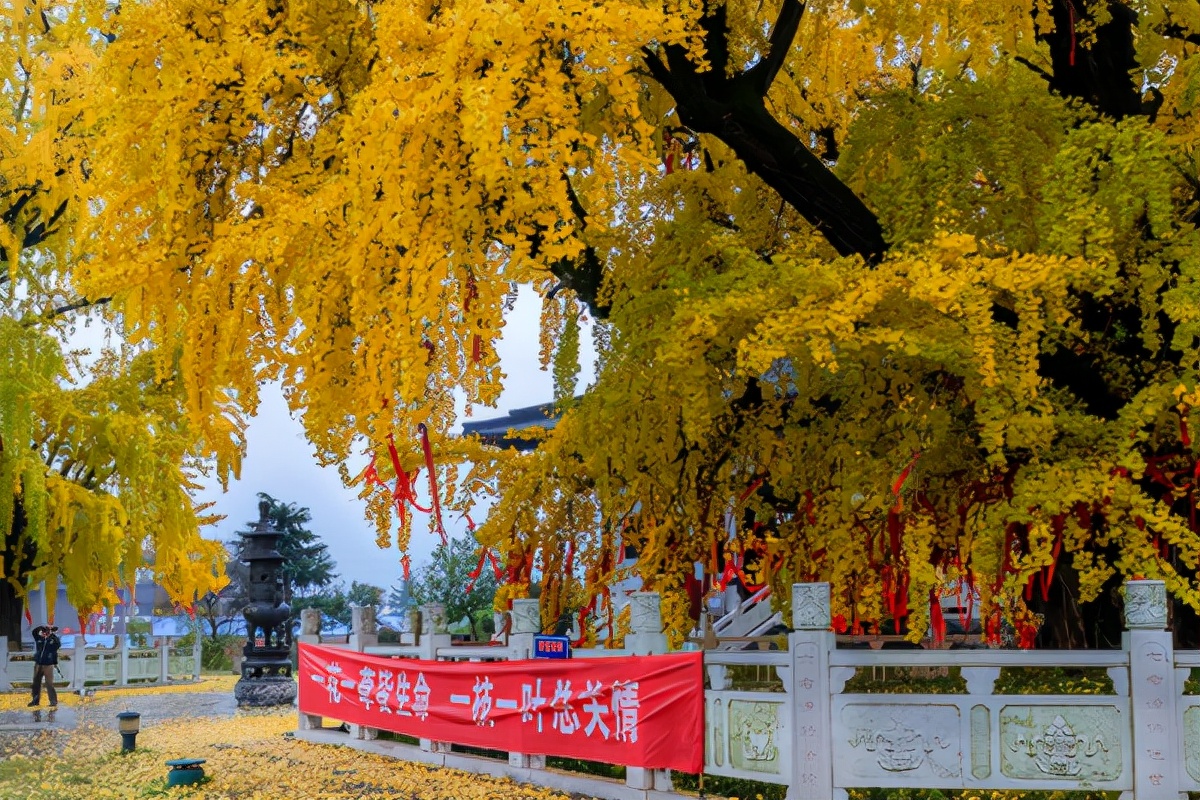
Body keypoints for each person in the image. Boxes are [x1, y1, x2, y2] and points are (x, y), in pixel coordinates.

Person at [28, 625, 60, 709]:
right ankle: (35, 700)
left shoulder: (53, 640)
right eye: (44, 631)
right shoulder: (39, 639)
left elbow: (58, 645)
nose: (45, 632)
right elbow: (34, 632)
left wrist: (51, 633)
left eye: (47, 631)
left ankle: (53, 701)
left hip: (48, 664)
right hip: (38, 664)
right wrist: (40, 627)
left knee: (49, 683)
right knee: (36, 683)